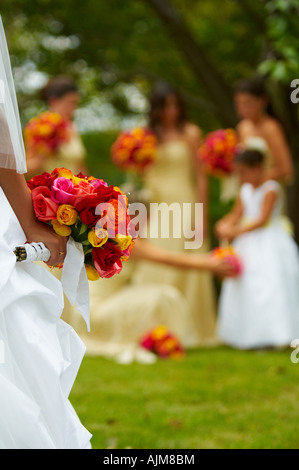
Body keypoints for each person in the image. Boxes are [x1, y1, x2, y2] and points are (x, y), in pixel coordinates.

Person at [0, 18, 91, 448]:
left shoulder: (72, 130)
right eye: (69, 100)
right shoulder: (41, 126)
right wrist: (34, 217)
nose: (72, 107)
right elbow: (18, 158)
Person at [129, 81, 218, 347]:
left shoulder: (191, 133)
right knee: (154, 260)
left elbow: (201, 177)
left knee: (191, 260)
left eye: (175, 105)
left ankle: (193, 330)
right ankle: (153, 325)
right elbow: (138, 176)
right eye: (165, 106)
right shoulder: (144, 137)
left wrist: (201, 215)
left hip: (185, 201)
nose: (171, 111)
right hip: (156, 205)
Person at [215, 149, 299, 350]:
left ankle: (276, 333)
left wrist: (235, 231)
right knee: (245, 285)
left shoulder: (271, 189)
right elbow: (237, 214)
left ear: (258, 168)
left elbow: (262, 220)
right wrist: (223, 225)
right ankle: (247, 335)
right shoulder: (245, 190)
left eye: (244, 172)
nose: (242, 177)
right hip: (247, 243)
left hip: (270, 242)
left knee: (270, 285)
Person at [26, 75, 87, 177]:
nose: (73, 108)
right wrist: (45, 153)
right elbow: (26, 169)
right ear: (53, 101)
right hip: (49, 189)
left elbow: (80, 165)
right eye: (70, 103)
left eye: (76, 103)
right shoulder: (38, 127)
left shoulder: (72, 127)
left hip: (74, 189)